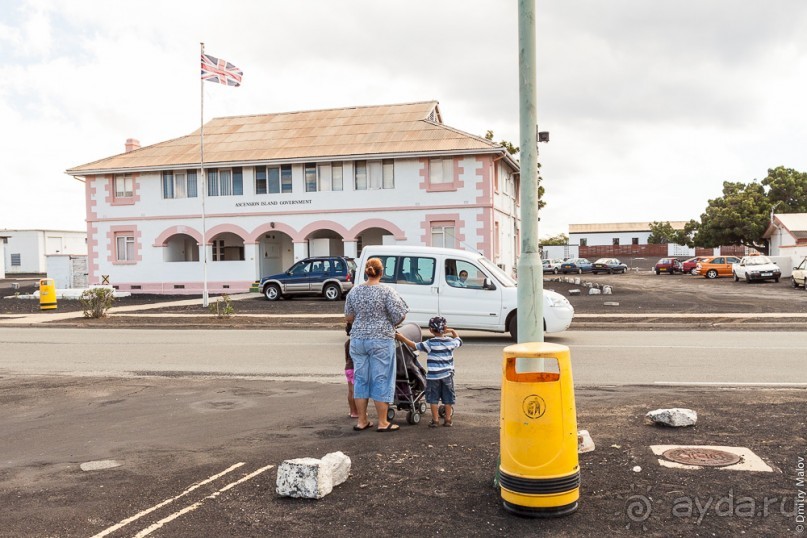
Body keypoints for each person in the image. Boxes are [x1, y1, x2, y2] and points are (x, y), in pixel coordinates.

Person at [345, 257, 409, 432]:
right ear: (381, 272)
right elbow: (399, 315)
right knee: (381, 378)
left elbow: (349, 317)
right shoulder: (387, 291)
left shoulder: (354, 292)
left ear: (366, 271)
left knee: (361, 379)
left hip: (358, 339)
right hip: (381, 339)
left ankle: (362, 421)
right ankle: (382, 422)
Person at [396, 316, 462, 427]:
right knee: (448, 398)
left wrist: (402, 338)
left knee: (433, 399)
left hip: (433, 377)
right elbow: (459, 341)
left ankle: (435, 420)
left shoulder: (430, 343)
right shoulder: (450, 342)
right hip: (447, 376)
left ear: (431, 330)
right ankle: (448, 420)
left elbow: (414, 345)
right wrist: (452, 331)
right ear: (445, 328)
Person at [344, 323, 358, 418]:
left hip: (348, 368)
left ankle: (352, 411)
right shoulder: (356, 341)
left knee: (350, 391)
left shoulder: (347, 342)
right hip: (354, 368)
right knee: (355, 391)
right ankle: (355, 412)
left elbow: (346, 357)